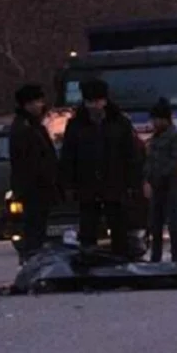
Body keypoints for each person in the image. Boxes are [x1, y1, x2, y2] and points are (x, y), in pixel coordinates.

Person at [59, 78, 140, 257]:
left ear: (104, 101)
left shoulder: (120, 123)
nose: (94, 106)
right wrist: (69, 184)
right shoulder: (76, 125)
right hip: (87, 184)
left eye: (97, 101)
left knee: (119, 227)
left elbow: (131, 154)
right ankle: (89, 262)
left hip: (114, 182)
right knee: (88, 228)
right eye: (90, 102)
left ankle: (121, 260)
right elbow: (68, 156)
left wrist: (133, 183)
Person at [8, 83, 60, 260]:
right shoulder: (25, 129)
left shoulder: (32, 126)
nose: (40, 105)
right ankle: (33, 263)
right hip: (34, 189)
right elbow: (31, 162)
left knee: (37, 229)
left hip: (38, 188)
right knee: (34, 231)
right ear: (27, 104)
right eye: (37, 101)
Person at [144, 98, 177, 263]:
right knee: (155, 224)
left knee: (173, 223)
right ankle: (156, 257)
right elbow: (148, 161)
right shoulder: (154, 139)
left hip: (172, 186)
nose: (153, 123)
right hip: (156, 188)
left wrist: (160, 176)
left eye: (156, 119)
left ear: (165, 119)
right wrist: (147, 179)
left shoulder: (175, 136)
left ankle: (176, 257)